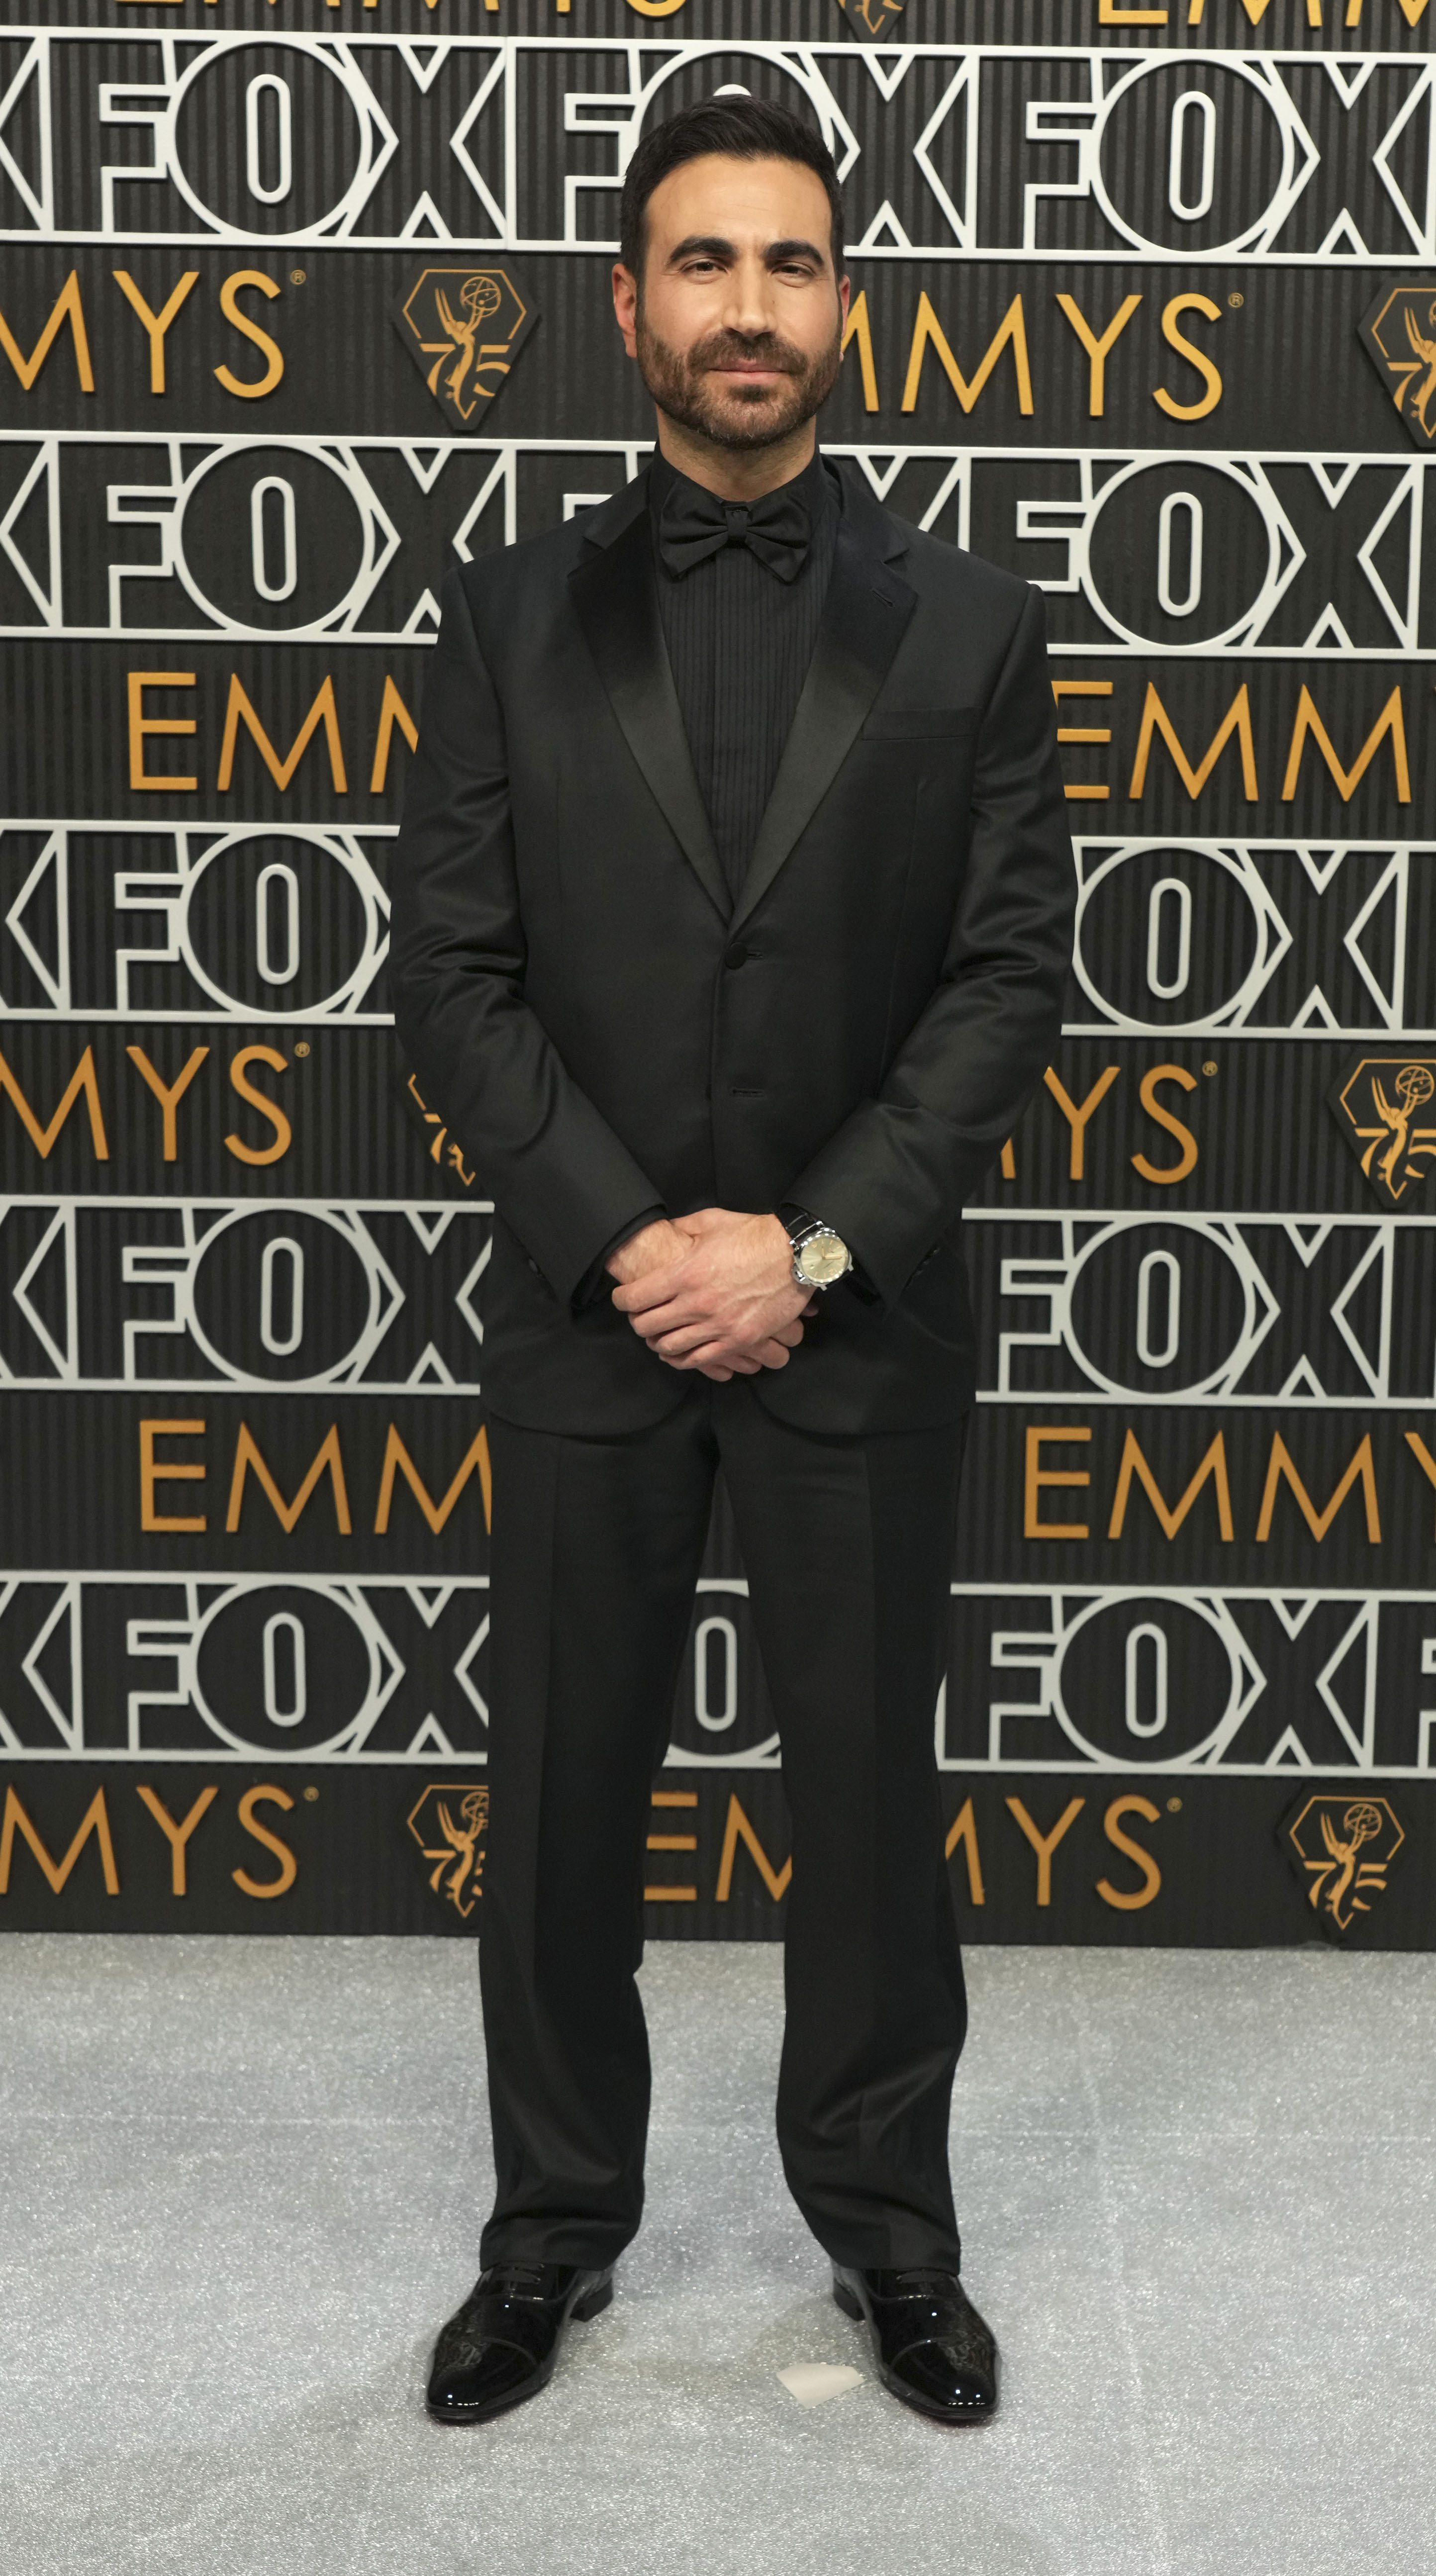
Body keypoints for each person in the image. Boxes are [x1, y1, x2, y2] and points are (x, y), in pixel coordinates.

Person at [390, 95, 1074, 2431]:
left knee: (867, 1810)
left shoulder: (973, 627)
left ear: (843, 304)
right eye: (702, 263)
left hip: (849, 1322)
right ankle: (545, 2234)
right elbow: (452, 980)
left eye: (788, 264)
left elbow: (1001, 980)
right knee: (564, 1800)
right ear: (630, 303)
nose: (748, 308)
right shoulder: (497, 611)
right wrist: (629, 1245)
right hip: (588, 1332)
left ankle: (889, 2236)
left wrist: (796, 1245)